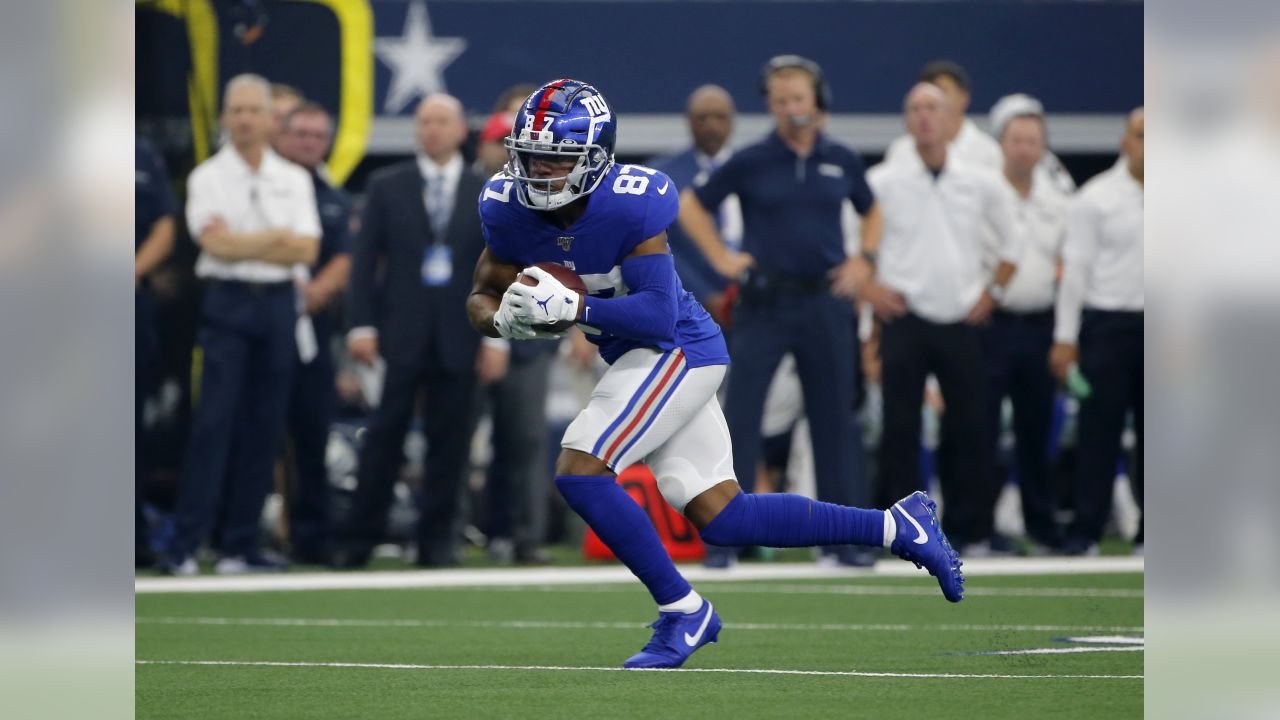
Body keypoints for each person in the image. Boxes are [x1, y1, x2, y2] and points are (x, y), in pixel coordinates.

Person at [468, 78, 964, 671]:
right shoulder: (506, 206)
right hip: (639, 357)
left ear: (595, 159)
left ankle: (683, 611)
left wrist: (578, 309)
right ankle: (896, 525)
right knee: (724, 517)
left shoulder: (631, 202)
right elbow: (480, 293)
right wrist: (504, 322)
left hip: (675, 347)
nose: (539, 171)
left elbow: (653, 316)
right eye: (531, 155)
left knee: (581, 468)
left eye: (557, 158)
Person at [677, 56, 882, 567]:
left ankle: (846, 539)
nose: (791, 109)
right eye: (781, 100)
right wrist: (724, 259)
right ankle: (726, 539)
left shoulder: (841, 158)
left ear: (817, 102)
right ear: (770, 105)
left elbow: (872, 209)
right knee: (739, 418)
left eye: (799, 99)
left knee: (835, 420)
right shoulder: (751, 159)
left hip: (825, 298)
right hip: (764, 300)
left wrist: (866, 259)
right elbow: (689, 204)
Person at [159, 74, 321, 575]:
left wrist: (247, 241)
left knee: (264, 426)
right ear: (226, 117)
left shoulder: (292, 178)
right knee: (213, 424)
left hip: (276, 305)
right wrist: (274, 238)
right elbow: (215, 246)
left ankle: (240, 544)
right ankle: (187, 544)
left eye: (255, 110)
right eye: (237, 110)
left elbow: (307, 249)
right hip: (228, 304)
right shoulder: (208, 177)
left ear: (270, 117)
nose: (246, 118)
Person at [864, 82, 1023, 553]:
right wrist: (870, 291)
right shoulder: (884, 181)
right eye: (915, 109)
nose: (925, 117)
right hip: (903, 316)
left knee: (970, 426)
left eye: (933, 108)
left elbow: (1014, 239)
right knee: (900, 427)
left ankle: (971, 528)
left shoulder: (980, 180)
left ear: (952, 117)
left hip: (962, 317)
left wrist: (993, 292)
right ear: (906, 120)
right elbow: (856, 242)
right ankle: (904, 531)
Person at [337, 94, 488, 568]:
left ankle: (437, 542)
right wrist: (360, 325)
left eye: (442, 121)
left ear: (462, 130)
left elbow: (499, 268)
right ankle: (360, 540)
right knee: (383, 438)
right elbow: (363, 265)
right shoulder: (387, 185)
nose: (433, 130)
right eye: (424, 121)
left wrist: (496, 335)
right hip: (398, 332)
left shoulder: (485, 189)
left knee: (451, 441)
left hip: (461, 332)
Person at [977, 95, 1071, 553]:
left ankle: (1041, 523)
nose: (1023, 149)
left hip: (1039, 325)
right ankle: (980, 525)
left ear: (1042, 147)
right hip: (991, 325)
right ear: (1001, 145)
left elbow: (1069, 265)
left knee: (1038, 430)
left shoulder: (1060, 201)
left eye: (1032, 141)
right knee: (982, 429)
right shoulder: (980, 193)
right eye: (1016, 140)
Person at [1050, 108, 1144, 556]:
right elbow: (1076, 271)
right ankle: (1086, 528)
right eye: (1143, 136)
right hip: (1108, 325)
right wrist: (1065, 338)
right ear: (1125, 142)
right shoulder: (1096, 198)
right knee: (1098, 433)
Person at [275, 102, 353, 564]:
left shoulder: (332, 194)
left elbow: (346, 253)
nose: (307, 142)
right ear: (281, 136)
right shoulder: (265, 185)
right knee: (253, 432)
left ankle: (313, 536)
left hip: (315, 328)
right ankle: (233, 530)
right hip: (260, 319)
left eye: (317, 135)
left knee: (311, 433)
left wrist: (318, 289)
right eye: (299, 133)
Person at [884, 61, 1075, 194]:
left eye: (942, 92)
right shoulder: (900, 150)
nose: (933, 104)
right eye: (921, 104)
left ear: (964, 97)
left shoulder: (989, 152)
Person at [649, 85, 739, 324]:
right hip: (685, 304)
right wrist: (704, 294)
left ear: (732, 121)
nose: (711, 126)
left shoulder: (751, 170)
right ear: (688, 121)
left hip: (752, 301)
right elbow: (658, 243)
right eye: (702, 118)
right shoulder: (662, 175)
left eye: (719, 117)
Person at [135, 134, 177, 566]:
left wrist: (130, 269)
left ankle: (130, 534)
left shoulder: (142, 152)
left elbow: (165, 225)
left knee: (130, 425)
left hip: (129, 301)